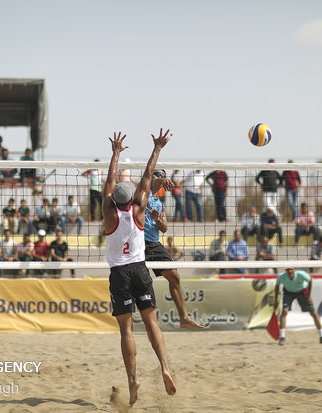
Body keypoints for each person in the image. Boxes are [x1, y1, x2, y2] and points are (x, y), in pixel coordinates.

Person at [102, 130, 176, 405]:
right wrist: (157, 148)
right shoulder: (140, 209)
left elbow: (110, 181)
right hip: (139, 269)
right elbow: (147, 176)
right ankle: (165, 367)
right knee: (151, 322)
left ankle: (132, 380)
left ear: (112, 200)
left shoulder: (109, 213)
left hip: (119, 273)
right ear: (132, 198)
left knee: (126, 330)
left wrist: (115, 153)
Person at [144, 169, 203, 328]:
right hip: (138, 243)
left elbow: (164, 228)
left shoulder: (160, 204)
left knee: (175, 277)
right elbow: (153, 181)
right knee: (140, 285)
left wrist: (157, 220)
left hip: (154, 244)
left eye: (160, 175)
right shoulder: (143, 193)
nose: (156, 176)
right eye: (155, 174)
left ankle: (183, 317)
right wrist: (161, 180)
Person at [274, 268, 322, 346]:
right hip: (288, 292)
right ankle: (282, 338)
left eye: (291, 269)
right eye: (288, 269)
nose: (290, 271)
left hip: (302, 291)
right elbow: (277, 287)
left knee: (313, 313)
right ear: (285, 270)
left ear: (294, 269)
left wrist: (309, 295)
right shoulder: (281, 277)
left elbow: (310, 280)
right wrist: (276, 300)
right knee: (284, 312)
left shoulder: (301, 274)